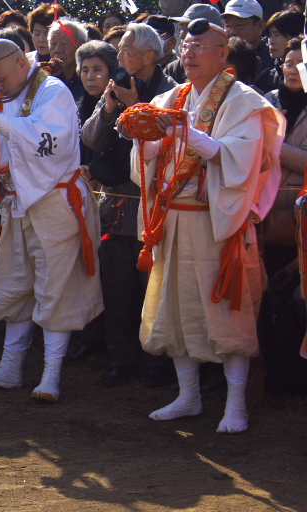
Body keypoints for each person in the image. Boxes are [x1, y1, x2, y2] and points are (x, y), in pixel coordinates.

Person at [115, 19, 285, 433]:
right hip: (173, 219)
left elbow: (244, 163)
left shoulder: (245, 101)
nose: (188, 53)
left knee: (227, 311)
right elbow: (151, 158)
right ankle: (188, 395)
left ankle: (236, 404)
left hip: (217, 222)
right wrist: (141, 138)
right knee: (175, 308)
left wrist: (186, 132)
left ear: (223, 54)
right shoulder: (173, 95)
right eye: (186, 46)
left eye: (200, 47)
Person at [0, 39, 102, 401]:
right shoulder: (0, 92)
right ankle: (10, 367)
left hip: (54, 201)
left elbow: (44, 139)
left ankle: (51, 375)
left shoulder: (52, 90)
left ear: (20, 64)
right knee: (15, 284)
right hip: (16, 202)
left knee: (55, 287)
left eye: (1, 80)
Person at [81, 23, 177, 388]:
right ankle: (120, 358)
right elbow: (90, 138)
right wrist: (109, 107)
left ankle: (156, 362)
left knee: (152, 287)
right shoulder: (114, 86)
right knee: (117, 287)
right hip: (115, 206)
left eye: (124, 50)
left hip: (154, 208)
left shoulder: (171, 92)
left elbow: (170, 144)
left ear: (149, 56)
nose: (118, 56)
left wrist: (135, 107)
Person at [262, 36, 307, 275]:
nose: (293, 70)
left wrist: (272, 143)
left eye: (302, 64)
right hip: (262, 210)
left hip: (299, 213)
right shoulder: (267, 101)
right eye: (289, 63)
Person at [166, 4, 223, 83]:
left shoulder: (233, 68)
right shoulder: (174, 69)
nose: (182, 36)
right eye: (182, 28)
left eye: (190, 29)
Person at [257, 9, 304, 93]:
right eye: (270, 35)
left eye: (277, 35)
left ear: (297, 36)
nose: (271, 41)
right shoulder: (267, 76)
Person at [222, 0, 274, 77]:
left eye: (239, 25)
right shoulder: (221, 57)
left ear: (260, 26)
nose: (233, 32)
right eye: (228, 25)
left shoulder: (271, 60)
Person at [47, 17, 88, 102]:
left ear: (82, 45)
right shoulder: (45, 78)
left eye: (64, 43)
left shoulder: (89, 78)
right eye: (53, 44)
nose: (57, 50)